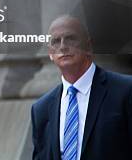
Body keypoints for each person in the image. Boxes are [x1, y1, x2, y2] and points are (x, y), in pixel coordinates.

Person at [31, 15, 132, 160]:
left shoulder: (125, 91)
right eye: (55, 41)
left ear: (88, 46)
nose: (63, 46)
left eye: (70, 38)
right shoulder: (41, 109)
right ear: (50, 54)